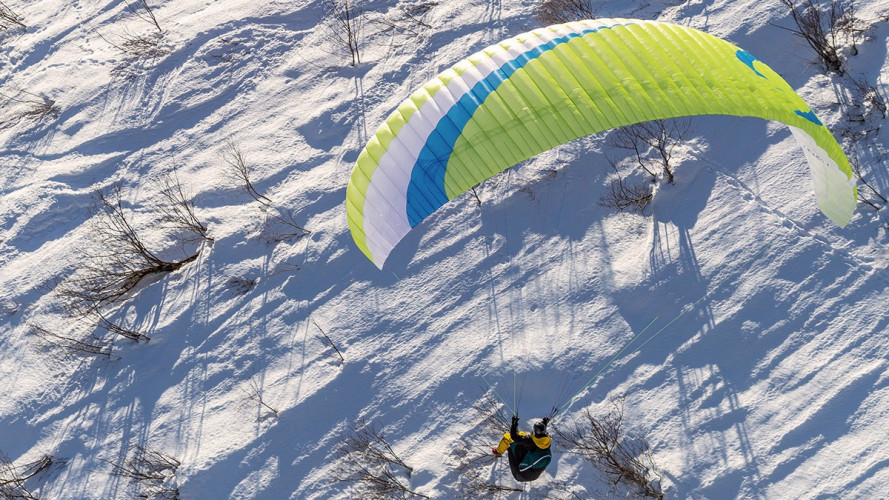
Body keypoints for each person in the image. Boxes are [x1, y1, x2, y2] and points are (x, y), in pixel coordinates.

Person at [493, 415, 552, 482]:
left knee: (507, 437)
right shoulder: (546, 442)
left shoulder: (530, 441)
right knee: (522, 434)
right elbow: (540, 432)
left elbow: (514, 437)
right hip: (533, 474)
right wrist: (544, 423)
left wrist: (514, 424)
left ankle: (498, 451)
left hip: (520, 474)